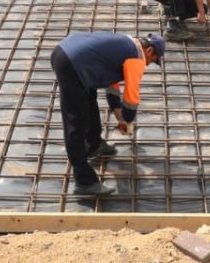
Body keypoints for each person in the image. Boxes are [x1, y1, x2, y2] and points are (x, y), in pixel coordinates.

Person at [50, 31, 165, 196]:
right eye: (153, 60)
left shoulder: (126, 43)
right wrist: (127, 121)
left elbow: (112, 86)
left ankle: (94, 144)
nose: (149, 64)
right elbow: (131, 99)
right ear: (150, 52)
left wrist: (120, 118)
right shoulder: (137, 59)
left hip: (68, 53)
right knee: (75, 122)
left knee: (89, 99)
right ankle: (84, 182)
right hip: (72, 64)